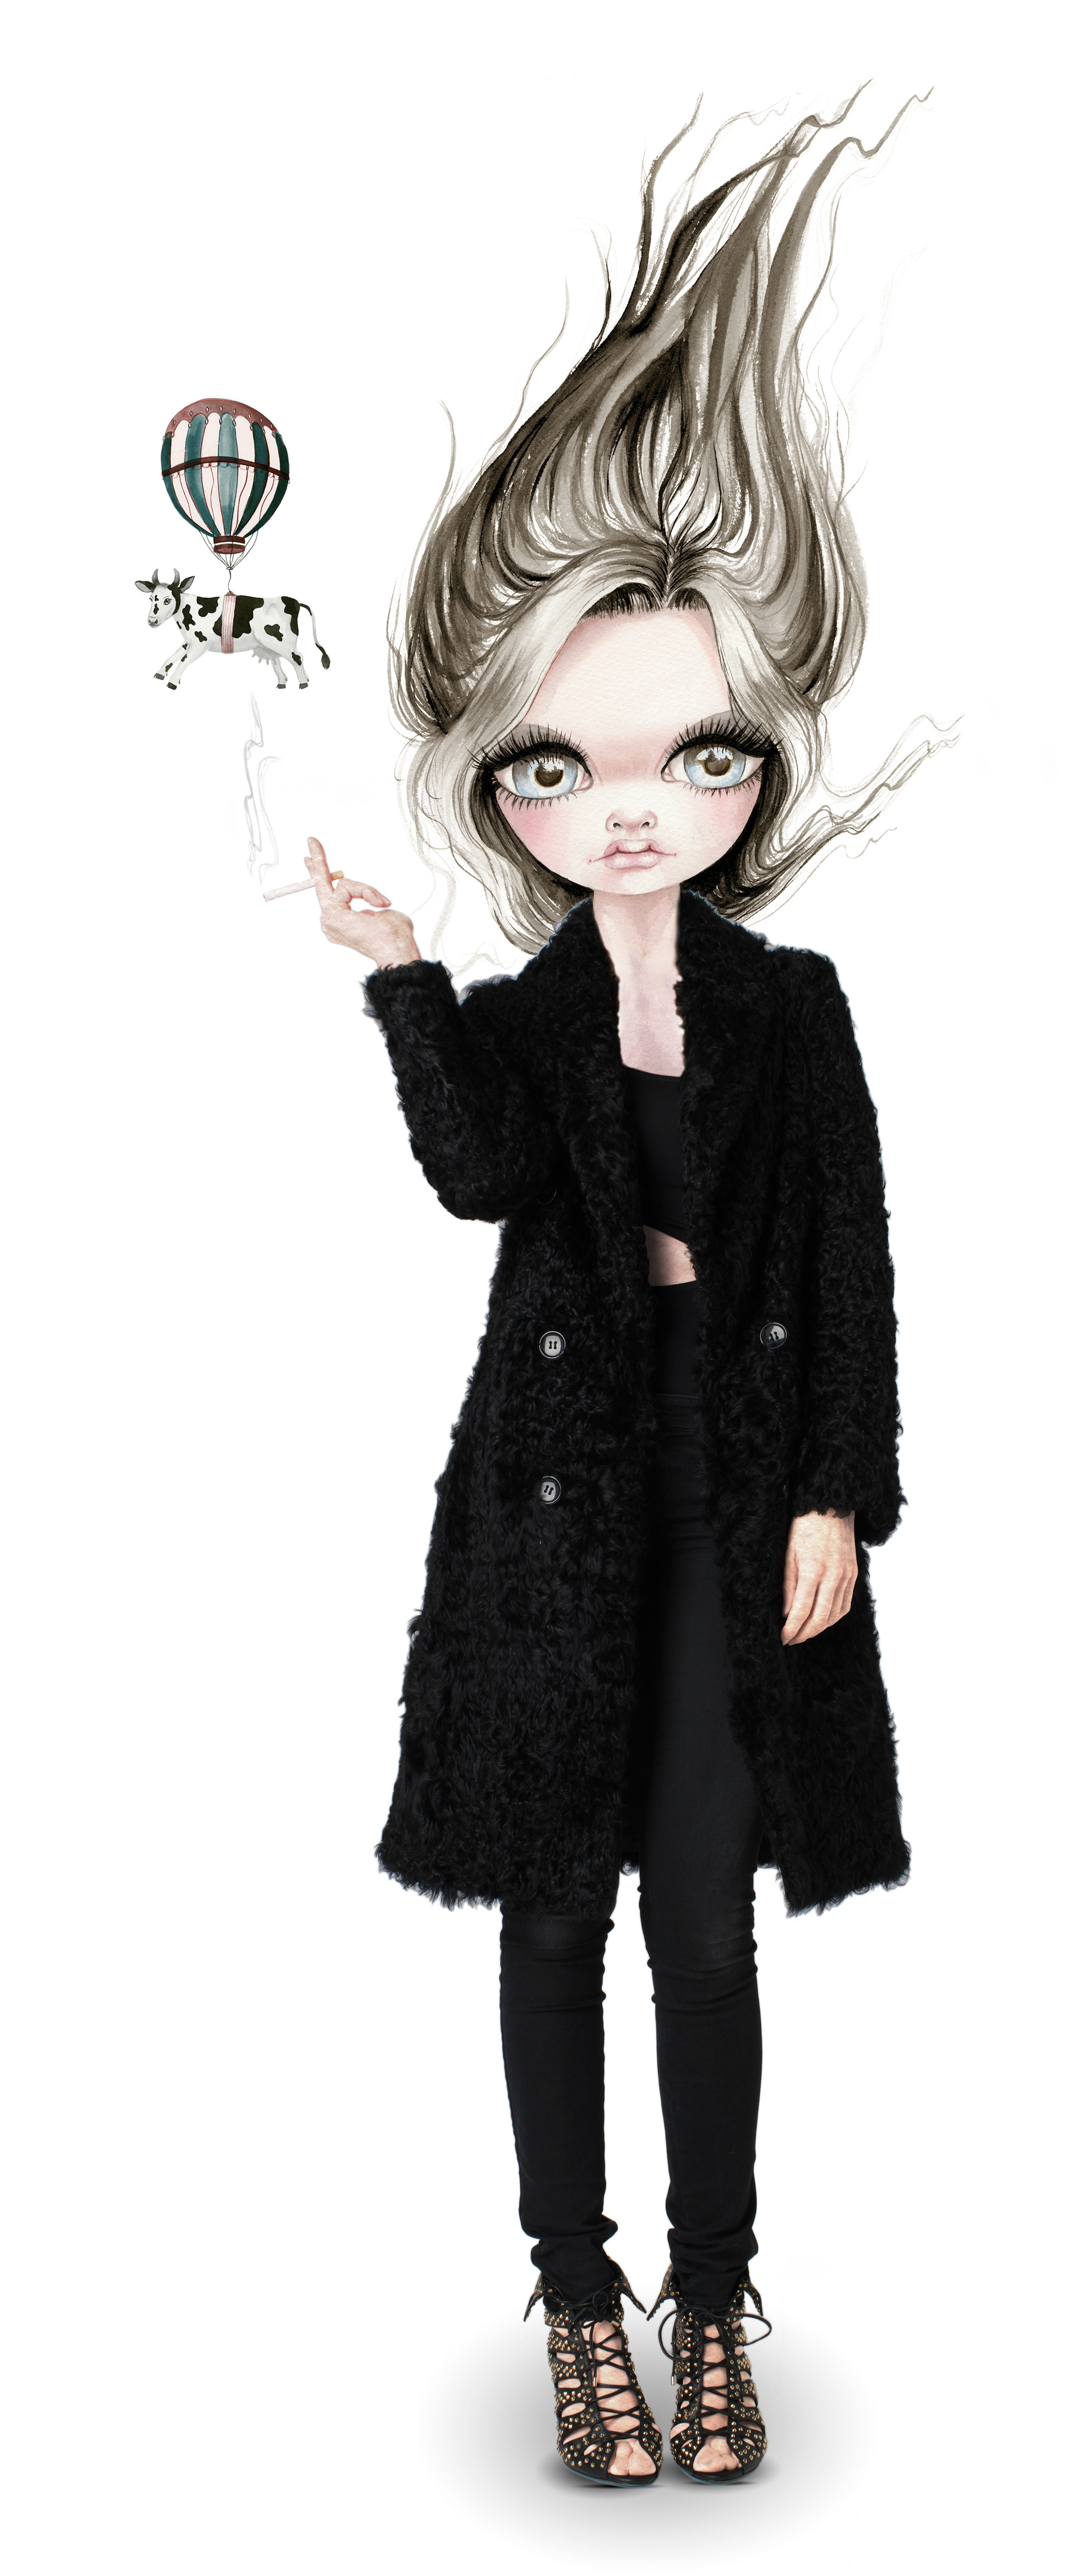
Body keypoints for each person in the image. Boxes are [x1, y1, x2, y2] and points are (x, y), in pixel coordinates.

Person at [303, 100, 925, 2486]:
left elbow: (851, 1258)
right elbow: (479, 1180)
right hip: (555, 1518)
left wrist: (847, 1490)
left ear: (755, 772)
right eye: (563, 766)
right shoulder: (527, 1019)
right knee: (553, 1915)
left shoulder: (797, 1010)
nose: (630, 804)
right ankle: (578, 2304)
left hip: (740, 1499)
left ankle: (712, 2300)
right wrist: (397, 980)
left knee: (703, 1918)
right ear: (511, 789)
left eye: (688, 757)